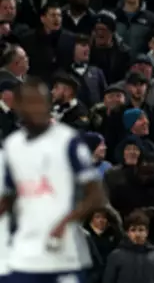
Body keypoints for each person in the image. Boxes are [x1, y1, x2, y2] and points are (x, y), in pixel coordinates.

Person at [1, 78, 107, 283]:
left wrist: (64, 223)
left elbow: (96, 196)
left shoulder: (69, 143)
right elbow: (8, 197)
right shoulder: (13, 146)